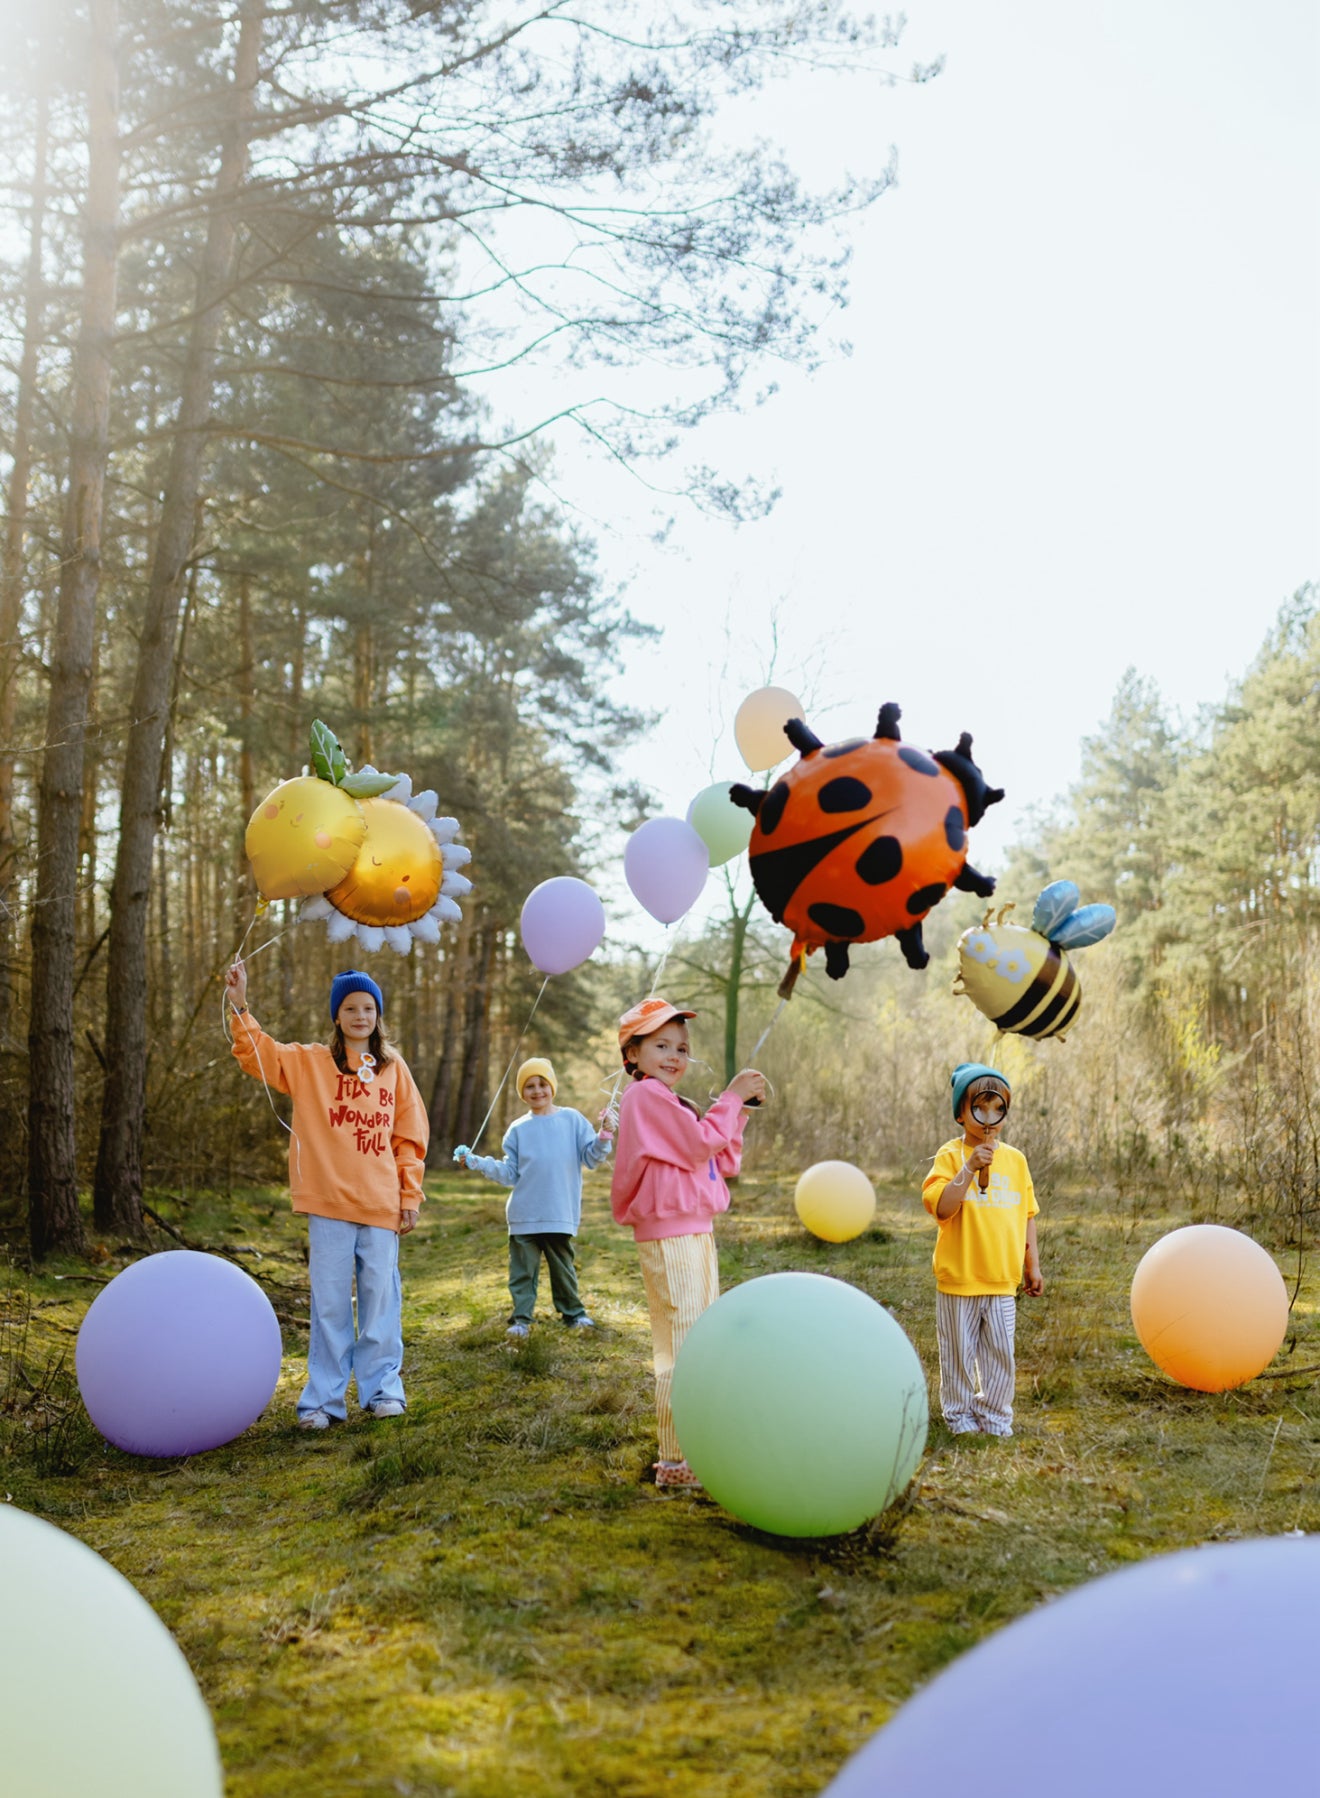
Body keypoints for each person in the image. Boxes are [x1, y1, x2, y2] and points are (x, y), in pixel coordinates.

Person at [225, 961, 429, 1430]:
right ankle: (322, 1401)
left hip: (381, 1205)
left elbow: (410, 1138)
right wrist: (241, 1006)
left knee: (381, 1302)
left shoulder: (394, 1069)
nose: (361, 1015)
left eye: (369, 1008)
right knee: (331, 1304)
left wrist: (410, 1197)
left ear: (379, 1015)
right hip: (328, 1205)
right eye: (351, 1008)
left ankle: (382, 1391)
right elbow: (260, 1055)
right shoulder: (310, 1062)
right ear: (337, 1016)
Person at [610, 997, 766, 1489]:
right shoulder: (644, 1097)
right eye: (661, 1045)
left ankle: (699, 1440)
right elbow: (700, 1144)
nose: (675, 1055)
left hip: (696, 1229)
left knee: (702, 1336)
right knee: (680, 1341)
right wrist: (731, 1097)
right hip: (670, 1233)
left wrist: (736, 1111)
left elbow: (722, 1160)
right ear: (632, 1055)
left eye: (681, 1047)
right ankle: (676, 1459)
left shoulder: (676, 1104)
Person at [921, 1061, 1044, 1438]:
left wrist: (1032, 1266)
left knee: (1000, 1354)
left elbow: (1027, 1215)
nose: (989, 1118)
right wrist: (970, 1168)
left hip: (1002, 1279)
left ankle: (995, 1417)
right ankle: (959, 1416)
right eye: (980, 1107)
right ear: (961, 1114)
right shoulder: (949, 1155)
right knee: (958, 1352)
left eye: (998, 1108)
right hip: (960, 1276)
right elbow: (942, 1207)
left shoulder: (1016, 1160)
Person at [454, 1057, 613, 1338]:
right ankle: (521, 1320)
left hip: (559, 1211)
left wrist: (604, 1136)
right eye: (529, 1086)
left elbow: (591, 1158)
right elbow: (509, 1173)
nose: (537, 1091)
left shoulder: (572, 1119)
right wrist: (478, 1162)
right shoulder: (518, 1129)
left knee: (563, 1269)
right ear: (522, 1092)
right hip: (524, 1214)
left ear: (552, 1086)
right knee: (522, 1273)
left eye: (542, 1084)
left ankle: (574, 1314)